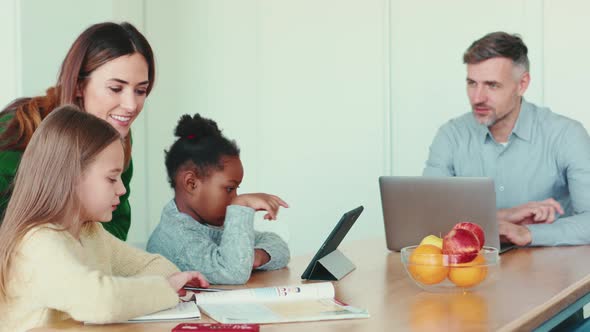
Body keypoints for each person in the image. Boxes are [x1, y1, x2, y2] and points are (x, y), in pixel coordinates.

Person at [0, 106, 209, 332]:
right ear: (71, 177)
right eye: (111, 178)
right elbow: (101, 301)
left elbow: (159, 266)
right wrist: (162, 289)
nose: (121, 189)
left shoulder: (91, 233)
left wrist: (125, 292)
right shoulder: (38, 242)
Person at [423, 31, 590, 247]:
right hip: (469, 270)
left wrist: (528, 233)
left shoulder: (566, 135)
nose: (477, 98)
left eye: (492, 85)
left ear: (522, 84)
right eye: (472, 83)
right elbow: (427, 219)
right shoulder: (451, 135)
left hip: (550, 272)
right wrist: (506, 215)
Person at [0, 21, 155, 240]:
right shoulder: (18, 130)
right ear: (80, 85)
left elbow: (115, 232)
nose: (131, 105)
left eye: (140, 90)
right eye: (116, 89)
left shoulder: (118, 137)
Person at [147, 113, 290, 284]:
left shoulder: (207, 223)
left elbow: (279, 246)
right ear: (191, 183)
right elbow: (233, 272)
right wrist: (241, 206)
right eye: (229, 189)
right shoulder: (177, 239)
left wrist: (255, 256)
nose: (235, 197)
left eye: (237, 190)